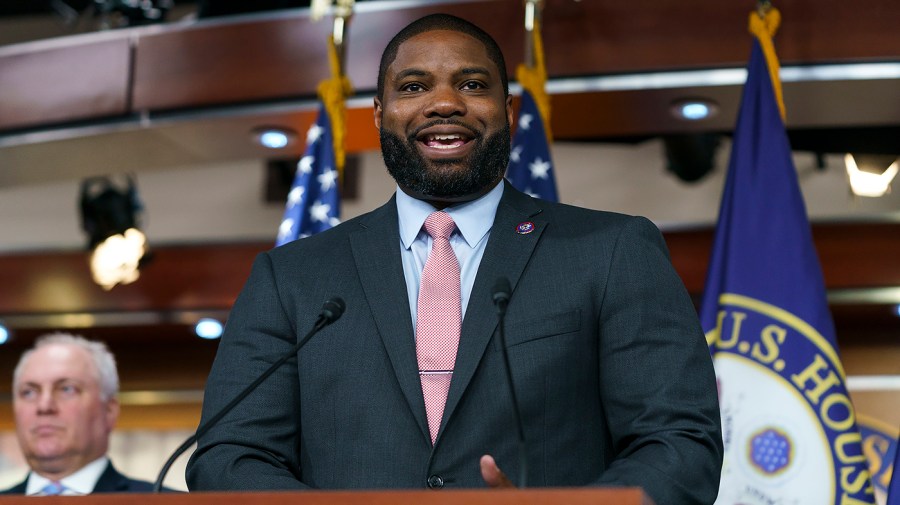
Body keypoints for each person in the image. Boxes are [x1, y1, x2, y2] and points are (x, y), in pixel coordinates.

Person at [186, 13, 723, 504]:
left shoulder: (610, 251)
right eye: (414, 87)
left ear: (507, 110)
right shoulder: (292, 278)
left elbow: (680, 442)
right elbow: (229, 455)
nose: (444, 103)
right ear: (378, 114)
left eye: (471, 85)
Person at [1, 333, 156, 495]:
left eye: (67, 389)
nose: (44, 406)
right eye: (29, 392)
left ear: (109, 411)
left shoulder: (163, 501)